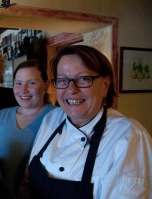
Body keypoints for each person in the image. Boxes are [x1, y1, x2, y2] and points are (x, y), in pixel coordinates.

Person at [19, 45, 152, 199]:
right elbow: (27, 183)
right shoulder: (52, 118)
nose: (71, 89)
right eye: (62, 80)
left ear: (105, 84)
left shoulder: (129, 137)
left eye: (83, 78)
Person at [0, 59, 56, 198]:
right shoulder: (1, 116)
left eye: (31, 83)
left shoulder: (58, 117)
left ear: (45, 86)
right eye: (18, 83)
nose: (23, 90)